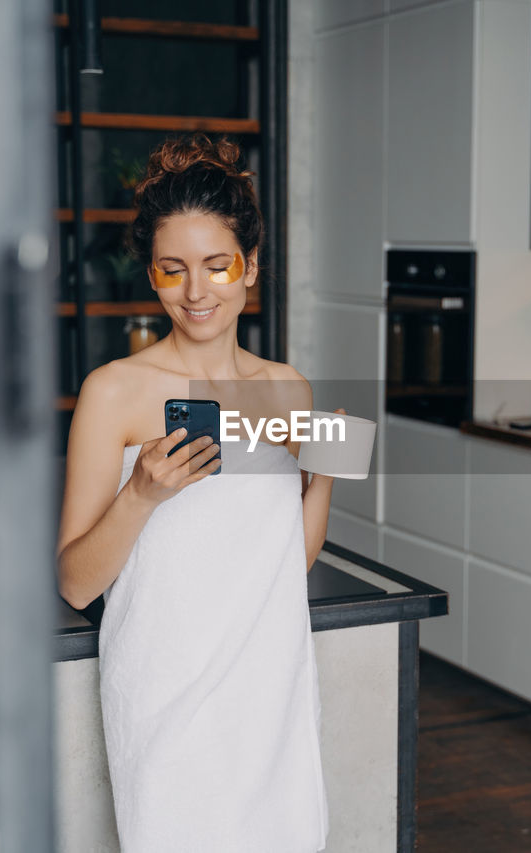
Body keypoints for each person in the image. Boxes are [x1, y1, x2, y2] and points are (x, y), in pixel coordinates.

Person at [56, 134, 332, 852]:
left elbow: (287, 561)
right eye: (173, 269)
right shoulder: (113, 394)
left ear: (251, 269)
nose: (196, 290)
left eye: (217, 265)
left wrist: (327, 471)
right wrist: (141, 493)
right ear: (152, 275)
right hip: (167, 702)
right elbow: (78, 583)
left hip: (270, 693)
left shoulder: (286, 387)